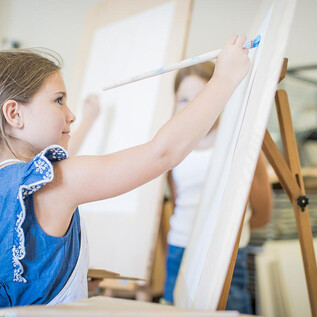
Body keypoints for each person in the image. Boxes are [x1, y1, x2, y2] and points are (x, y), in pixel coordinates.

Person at [0, 35, 250, 307]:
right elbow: (161, 153)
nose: (71, 115)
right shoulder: (58, 180)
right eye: (58, 100)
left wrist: (66, 277)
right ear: (14, 114)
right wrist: (224, 78)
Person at [162, 61, 272, 314]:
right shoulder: (175, 145)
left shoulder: (239, 141)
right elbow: (179, 202)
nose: (192, 108)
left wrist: (233, 231)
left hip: (224, 250)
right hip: (180, 246)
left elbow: (262, 210)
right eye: (183, 100)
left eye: (201, 98)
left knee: (230, 308)